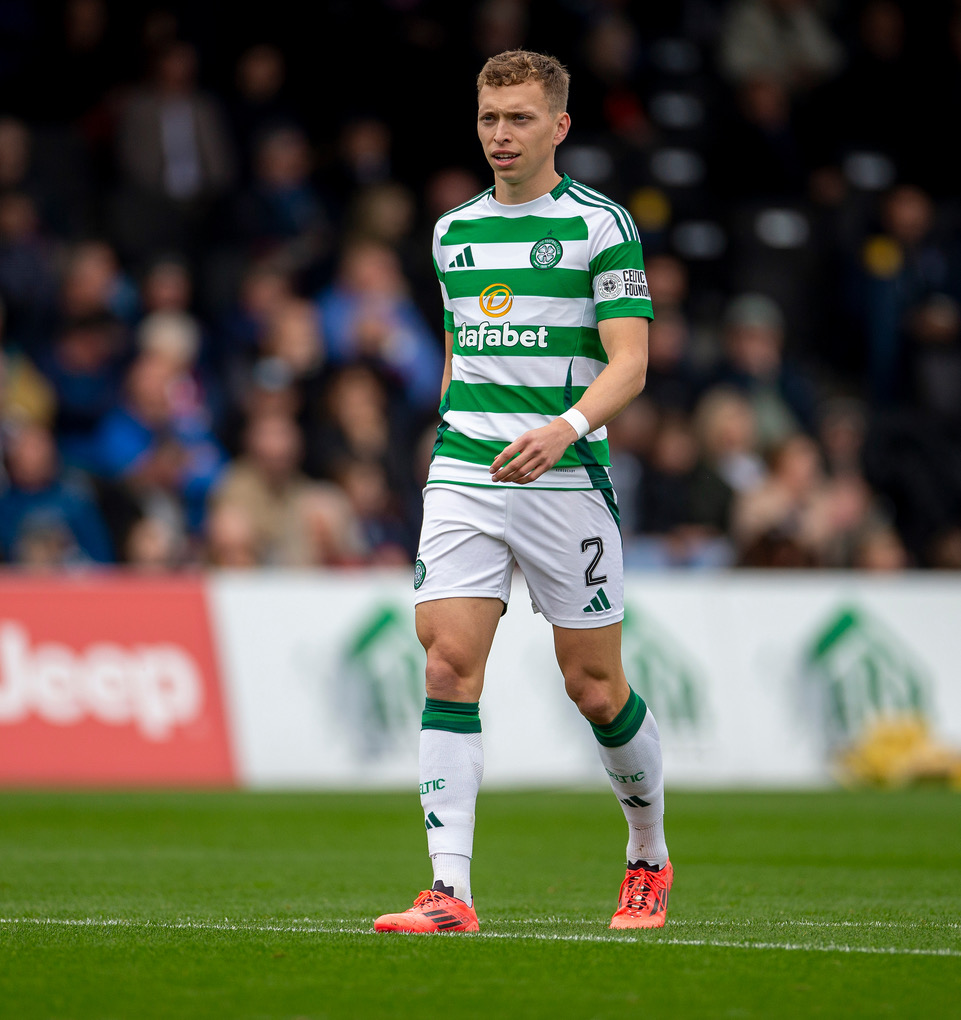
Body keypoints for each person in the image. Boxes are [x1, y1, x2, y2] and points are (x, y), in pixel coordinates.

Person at [374, 50, 671, 935]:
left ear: (559, 126)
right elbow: (461, 355)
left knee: (594, 688)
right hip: (466, 471)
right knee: (444, 664)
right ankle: (448, 892)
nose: (500, 135)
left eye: (518, 118)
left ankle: (646, 854)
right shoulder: (451, 232)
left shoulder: (599, 225)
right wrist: (449, 444)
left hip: (565, 476)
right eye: (488, 118)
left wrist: (565, 429)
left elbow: (632, 363)